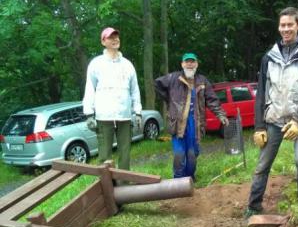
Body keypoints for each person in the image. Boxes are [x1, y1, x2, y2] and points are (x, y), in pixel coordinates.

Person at [246, 7, 298, 216]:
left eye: (290, 24)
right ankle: (253, 207)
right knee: (262, 165)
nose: (286, 29)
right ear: (279, 27)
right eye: (282, 25)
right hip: (274, 120)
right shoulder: (269, 57)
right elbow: (262, 91)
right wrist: (259, 126)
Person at [155, 53, 229, 180]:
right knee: (179, 154)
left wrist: (221, 114)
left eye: (192, 61)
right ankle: (178, 179)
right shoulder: (173, 78)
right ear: (182, 64)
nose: (190, 64)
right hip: (178, 123)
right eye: (187, 62)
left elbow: (212, 100)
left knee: (192, 154)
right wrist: (169, 100)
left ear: (196, 64)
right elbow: (157, 84)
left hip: (195, 123)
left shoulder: (202, 81)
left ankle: (189, 178)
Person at [83, 27, 142, 170]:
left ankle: (124, 184)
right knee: (104, 154)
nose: (115, 39)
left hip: (124, 115)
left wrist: (138, 112)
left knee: (125, 152)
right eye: (111, 37)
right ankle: (105, 186)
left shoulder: (127, 65)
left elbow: (135, 90)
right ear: (103, 42)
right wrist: (89, 114)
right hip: (104, 116)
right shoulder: (96, 64)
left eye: (116, 36)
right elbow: (89, 88)